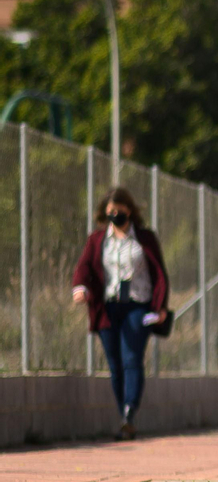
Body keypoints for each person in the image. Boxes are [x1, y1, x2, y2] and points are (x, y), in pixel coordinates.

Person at [71, 187, 172, 440]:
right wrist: (80, 287)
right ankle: (124, 417)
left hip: (138, 305)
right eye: (110, 213)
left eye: (119, 211)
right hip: (108, 306)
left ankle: (129, 412)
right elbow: (84, 266)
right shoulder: (97, 239)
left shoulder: (145, 238)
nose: (115, 216)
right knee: (115, 365)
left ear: (130, 210)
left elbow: (159, 273)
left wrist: (160, 307)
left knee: (131, 358)